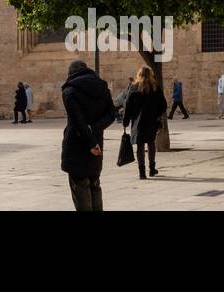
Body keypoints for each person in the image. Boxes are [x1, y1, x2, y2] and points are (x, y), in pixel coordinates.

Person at [60, 59, 116, 212]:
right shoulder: (102, 87)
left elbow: (78, 121)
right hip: (97, 144)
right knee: (94, 183)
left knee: (80, 186)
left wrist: (90, 142)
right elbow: (112, 114)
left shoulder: (69, 90)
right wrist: (95, 131)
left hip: (78, 145)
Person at [122, 65, 167, 179]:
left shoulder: (133, 88)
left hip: (138, 121)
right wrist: (156, 114)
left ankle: (142, 172)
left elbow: (127, 106)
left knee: (140, 146)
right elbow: (163, 105)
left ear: (139, 75)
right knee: (151, 143)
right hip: (151, 120)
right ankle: (152, 169)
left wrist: (125, 121)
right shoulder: (155, 88)